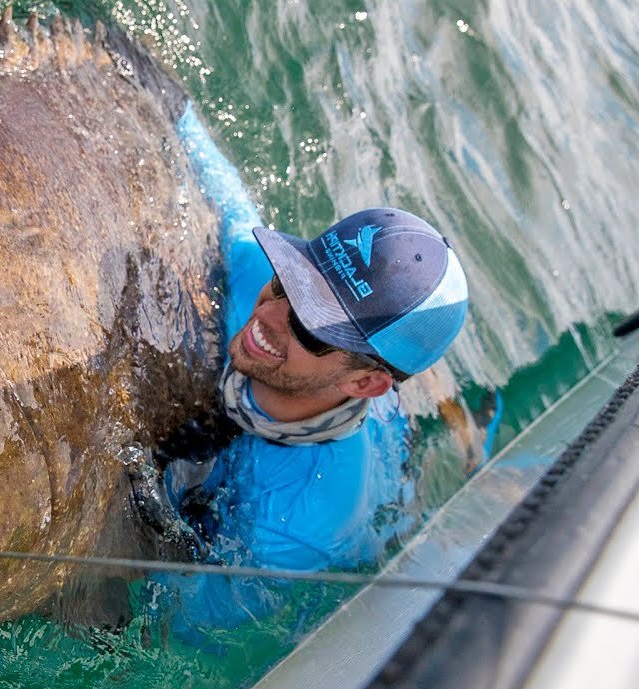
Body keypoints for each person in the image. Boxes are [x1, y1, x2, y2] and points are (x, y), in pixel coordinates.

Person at [145, 104, 470, 637]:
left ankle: (454, 421)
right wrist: (172, 106)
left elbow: (186, 625)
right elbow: (228, 200)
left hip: (383, 485)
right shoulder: (258, 277)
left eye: (312, 328)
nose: (266, 316)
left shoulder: (295, 528)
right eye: (290, 281)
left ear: (363, 383)